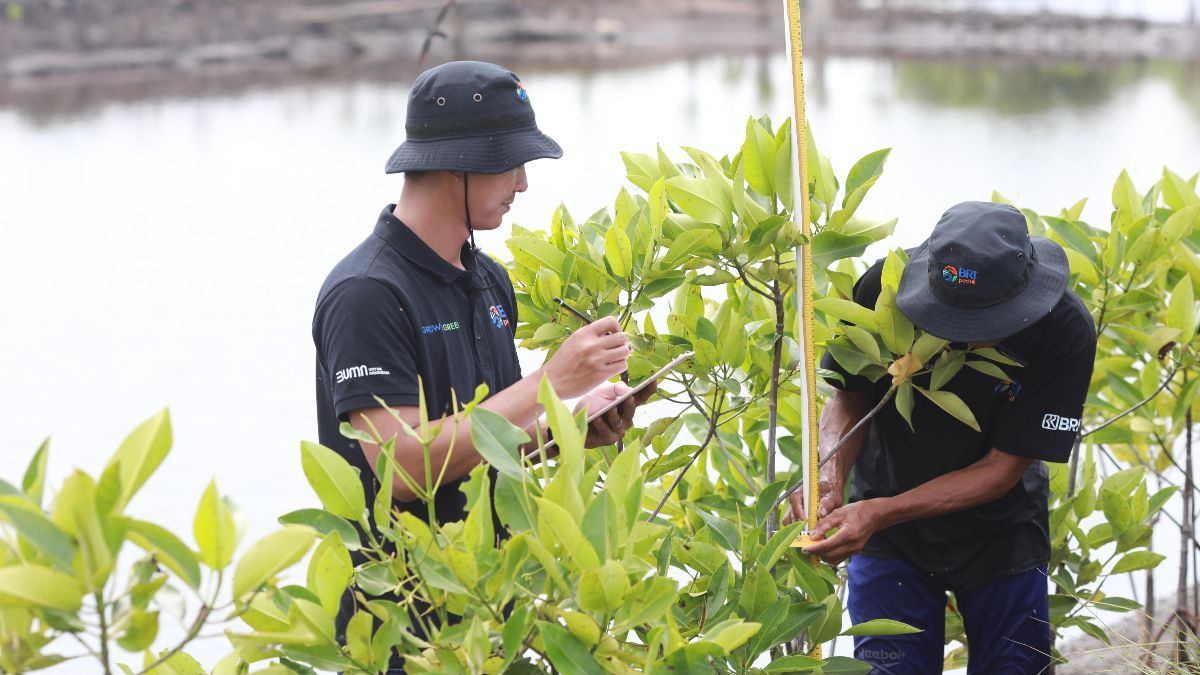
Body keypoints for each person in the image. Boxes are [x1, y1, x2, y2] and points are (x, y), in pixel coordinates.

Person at [312, 61, 650, 669]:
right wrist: (550, 382)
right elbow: (405, 468)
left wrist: (560, 433)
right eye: (511, 162)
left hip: (491, 609)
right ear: (454, 162)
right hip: (400, 626)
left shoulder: (487, 280)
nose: (522, 183)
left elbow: (478, 449)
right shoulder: (366, 293)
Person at [787, 201, 1097, 673]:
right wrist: (828, 476)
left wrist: (879, 513)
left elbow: (1002, 468)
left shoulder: (1064, 327)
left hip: (1001, 533)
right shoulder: (881, 289)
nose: (970, 336)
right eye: (955, 317)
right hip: (887, 532)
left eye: (988, 320)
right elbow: (849, 398)